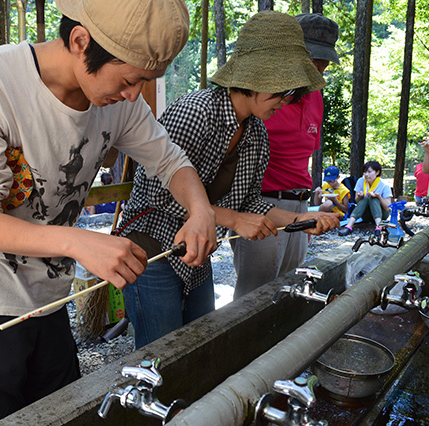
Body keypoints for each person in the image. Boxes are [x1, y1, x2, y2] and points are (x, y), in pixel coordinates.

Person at [0, 0, 217, 424]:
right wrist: (80, 243)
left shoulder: (119, 101)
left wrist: (200, 209)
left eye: (145, 82)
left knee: (61, 414)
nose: (134, 95)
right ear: (80, 41)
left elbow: (170, 161)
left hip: (50, 297)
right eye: (130, 80)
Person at [117, 11, 340, 349]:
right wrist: (234, 220)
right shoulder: (196, 111)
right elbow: (156, 194)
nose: (287, 101)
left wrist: (300, 221)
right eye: (285, 90)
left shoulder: (257, 133)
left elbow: (249, 201)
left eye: (293, 93)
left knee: (202, 345)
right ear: (258, 77)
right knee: (161, 353)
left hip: (198, 252)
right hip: (152, 250)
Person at [230, 12, 341, 299]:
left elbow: (304, 153)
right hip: (262, 202)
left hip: (300, 202)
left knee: (290, 288)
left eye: (325, 61)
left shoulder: (316, 97)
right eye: (313, 58)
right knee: (255, 294)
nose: (320, 68)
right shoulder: (262, 96)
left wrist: (307, 209)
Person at [338, 161, 392, 235]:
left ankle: (379, 227)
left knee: (373, 199)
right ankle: (349, 226)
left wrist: (379, 197)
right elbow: (356, 201)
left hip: (382, 214)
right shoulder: (361, 181)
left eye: (369, 172)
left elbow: (387, 207)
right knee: (365, 198)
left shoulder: (384, 185)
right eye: (364, 172)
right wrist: (360, 196)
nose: (366, 174)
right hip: (366, 215)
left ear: (377, 172)